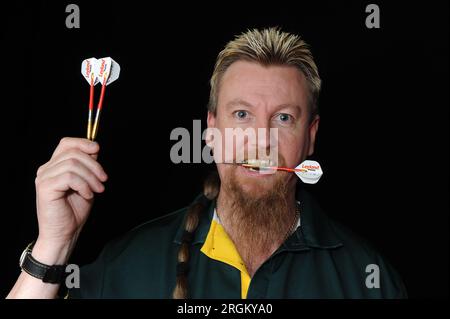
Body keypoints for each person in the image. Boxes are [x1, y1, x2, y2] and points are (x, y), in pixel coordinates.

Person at [7, 28, 407, 299]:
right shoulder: (127, 266)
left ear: (311, 136)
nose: (260, 139)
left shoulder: (368, 278)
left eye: (283, 118)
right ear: (211, 132)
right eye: (241, 115)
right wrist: (54, 246)